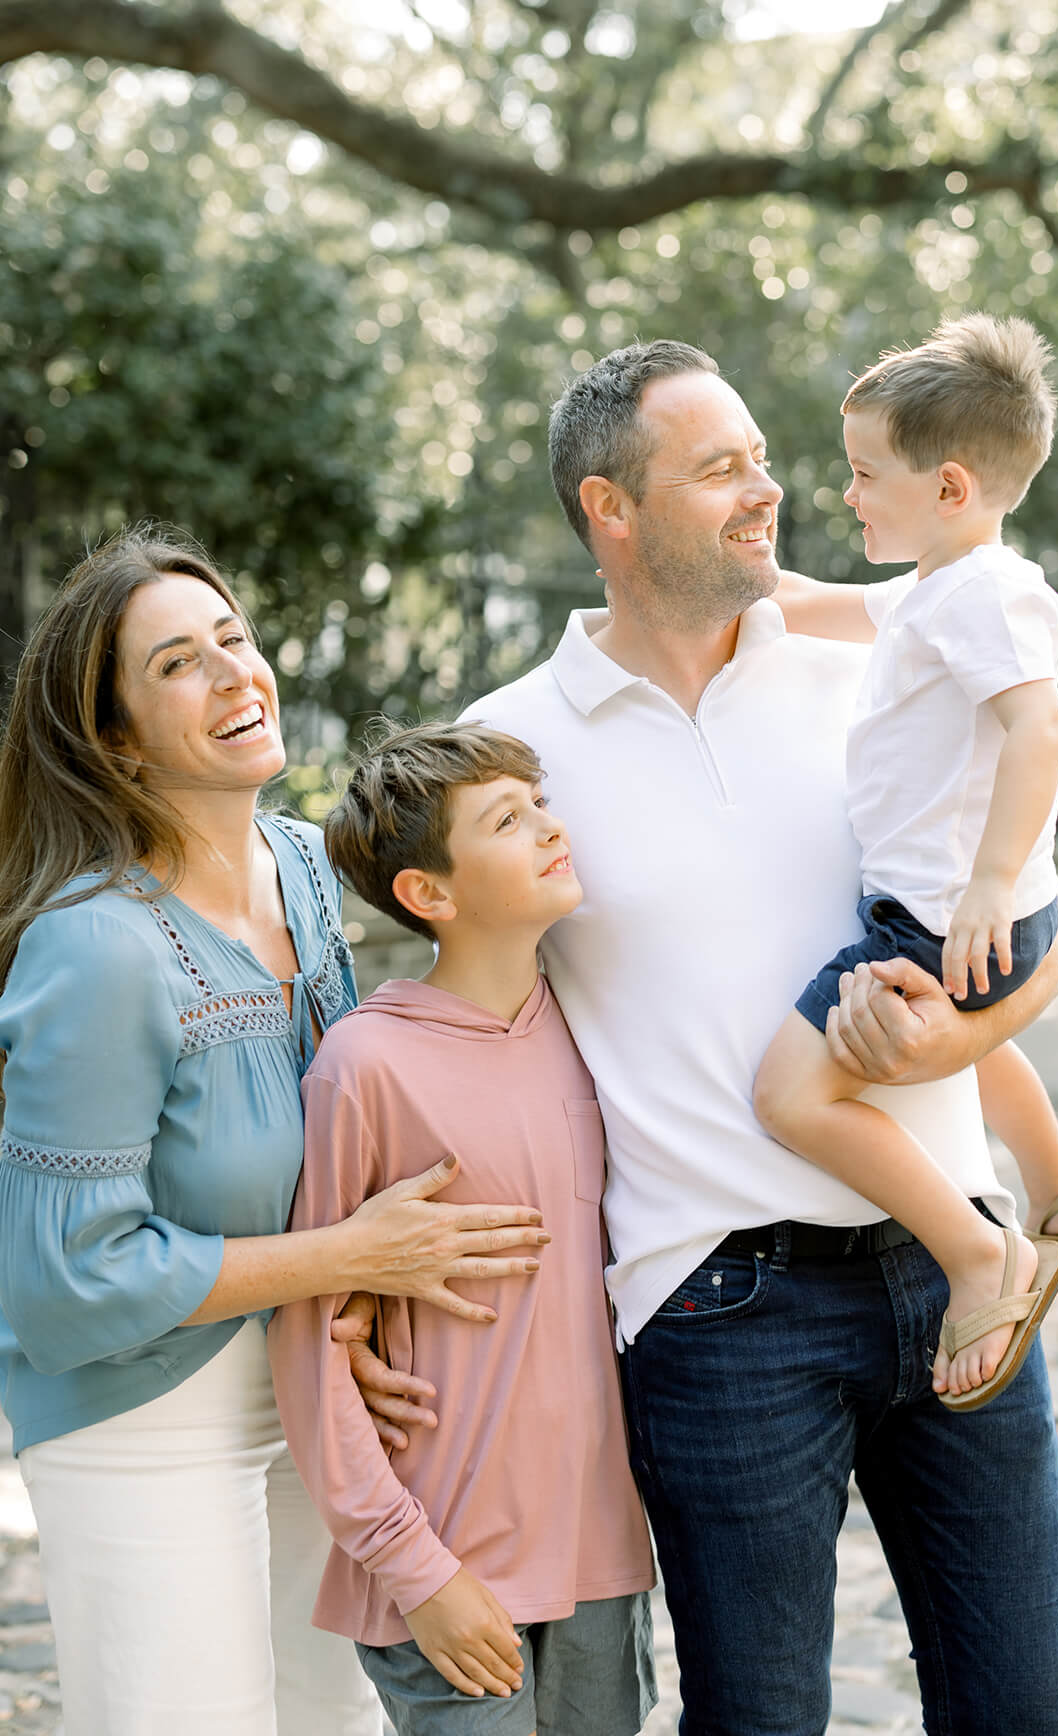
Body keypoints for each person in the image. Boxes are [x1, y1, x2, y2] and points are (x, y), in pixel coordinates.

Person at [417, 339, 1058, 1736]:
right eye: (720, 467)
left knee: (1027, 1714)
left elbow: (1046, 924)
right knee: (759, 1722)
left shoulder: (887, 662)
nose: (769, 490)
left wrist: (958, 1045)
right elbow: (473, 1043)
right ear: (610, 506)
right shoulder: (507, 751)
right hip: (722, 1313)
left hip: (960, 1265)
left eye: (765, 458)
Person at [0, 529, 551, 1736]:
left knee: (335, 1725)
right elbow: (61, 1282)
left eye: (236, 640)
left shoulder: (305, 865)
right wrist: (348, 1261)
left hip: (320, 1385)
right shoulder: (93, 947)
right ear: (112, 738)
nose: (236, 675)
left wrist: (347, 1317)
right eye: (179, 665)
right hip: (141, 1413)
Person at [753, 314, 1058, 1409]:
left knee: (789, 1094)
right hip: (948, 909)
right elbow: (809, 607)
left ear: (951, 487)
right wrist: (725, 567)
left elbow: (1040, 729)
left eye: (866, 475)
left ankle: (982, 1255)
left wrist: (990, 886)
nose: (850, 496)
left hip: (944, 917)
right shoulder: (934, 589)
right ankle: (1057, 1194)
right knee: (969, 1051)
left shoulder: (981, 595)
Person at [268, 720, 657, 1736]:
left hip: (599, 1556)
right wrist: (413, 1567)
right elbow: (313, 1340)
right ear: (429, 894)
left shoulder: (597, 1029)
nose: (547, 828)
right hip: (443, 1564)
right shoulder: (366, 1065)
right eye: (506, 819)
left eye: (539, 805)